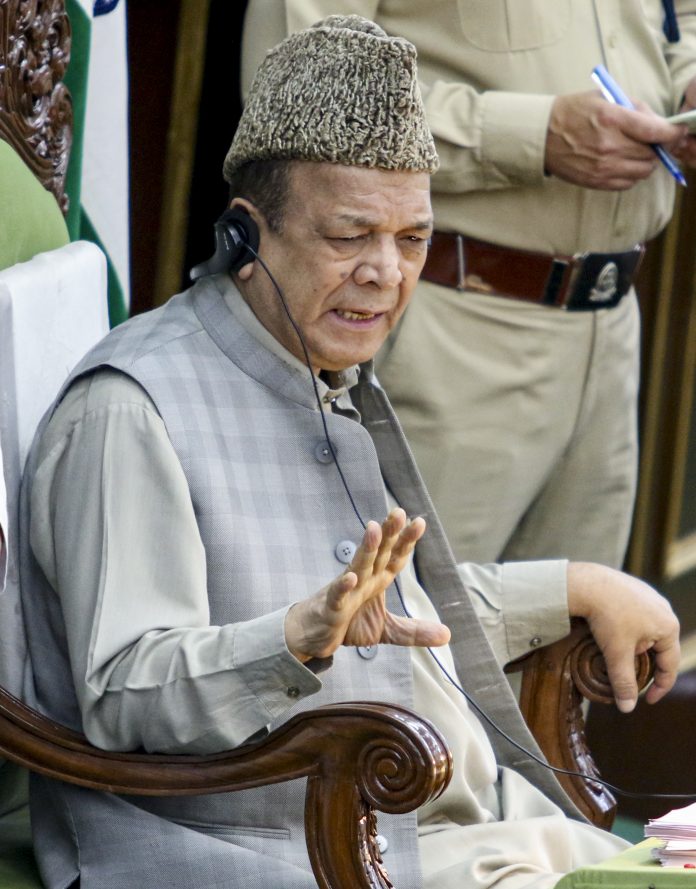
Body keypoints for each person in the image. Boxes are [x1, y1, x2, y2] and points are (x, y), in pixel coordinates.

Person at [18, 16, 680, 889]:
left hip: (459, 834)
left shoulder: (320, 367)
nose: (386, 274)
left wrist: (570, 586)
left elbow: (384, 613)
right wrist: (296, 637)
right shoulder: (132, 410)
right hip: (281, 853)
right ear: (247, 235)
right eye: (348, 236)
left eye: (412, 239)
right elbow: (126, 695)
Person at [242, 0, 696, 567]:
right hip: (446, 323)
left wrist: (688, 78)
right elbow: (293, 87)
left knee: (580, 617)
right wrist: (531, 135)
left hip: (613, 327)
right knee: (403, 612)